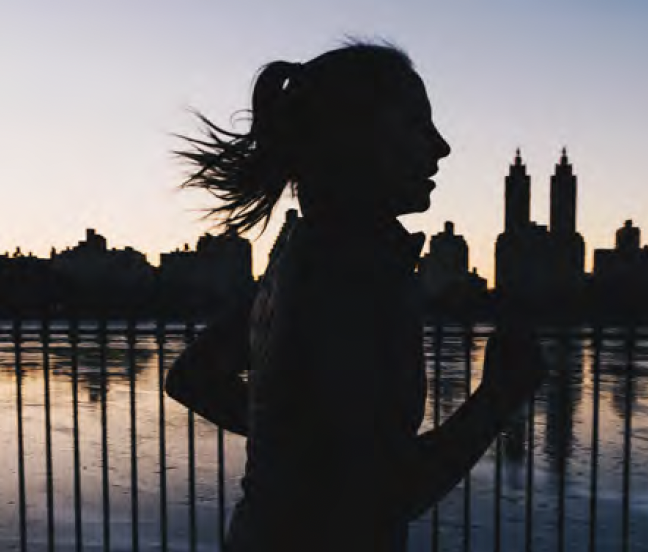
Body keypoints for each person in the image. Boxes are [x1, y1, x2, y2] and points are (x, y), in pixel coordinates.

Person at [166, 41, 545, 552]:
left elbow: (194, 378)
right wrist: (497, 398)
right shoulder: (353, 277)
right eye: (415, 124)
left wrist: (299, 455)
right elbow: (384, 498)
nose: (440, 146)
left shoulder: (302, 254)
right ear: (354, 139)